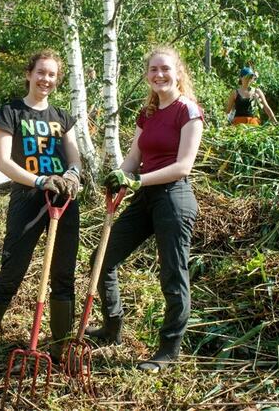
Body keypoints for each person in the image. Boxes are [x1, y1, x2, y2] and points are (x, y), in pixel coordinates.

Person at [85, 46, 204, 372]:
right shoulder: (148, 114)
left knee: (172, 275)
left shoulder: (188, 111)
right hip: (145, 196)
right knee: (102, 257)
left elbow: (183, 166)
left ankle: (168, 350)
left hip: (173, 198)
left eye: (165, 69)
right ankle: (112, 328)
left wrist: (139, 180)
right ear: (147, 75)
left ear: (178, 71)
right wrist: (122, 176)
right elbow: (133, 159)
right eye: (153, 70)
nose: (159, 75)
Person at [0, 49, 82, 370]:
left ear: (57, 80)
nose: (46, 79)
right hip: (28, 201)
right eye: (41, 72)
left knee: (63, 275)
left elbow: (74, 158)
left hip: (64, 202)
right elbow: (3, 162)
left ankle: (60, 346)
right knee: (12, 271)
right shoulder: (12, 113)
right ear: (29, 73)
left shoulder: (62, 117)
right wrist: (40, 179)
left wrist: (72, 174)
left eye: (52, 75)